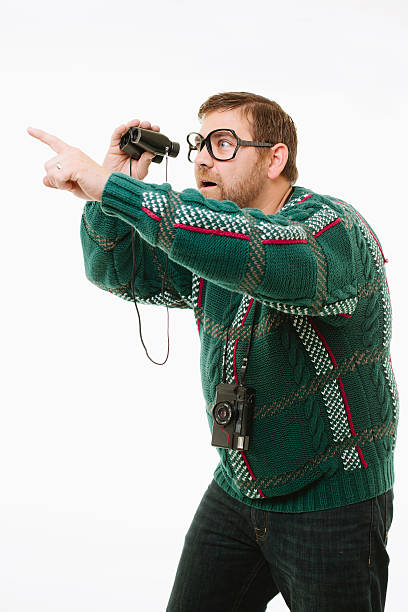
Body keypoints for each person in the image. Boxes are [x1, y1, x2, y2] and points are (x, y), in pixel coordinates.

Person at [27, 91, 398, 611]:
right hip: (237, 486)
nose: (201, 157)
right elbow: (118, 269)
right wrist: (114, 194)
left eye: (224, 143)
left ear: (275, 159)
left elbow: (264, 254)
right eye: (199, 142)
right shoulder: (210, 237)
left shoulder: (333, 231)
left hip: (331, 497)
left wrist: (110, 189)